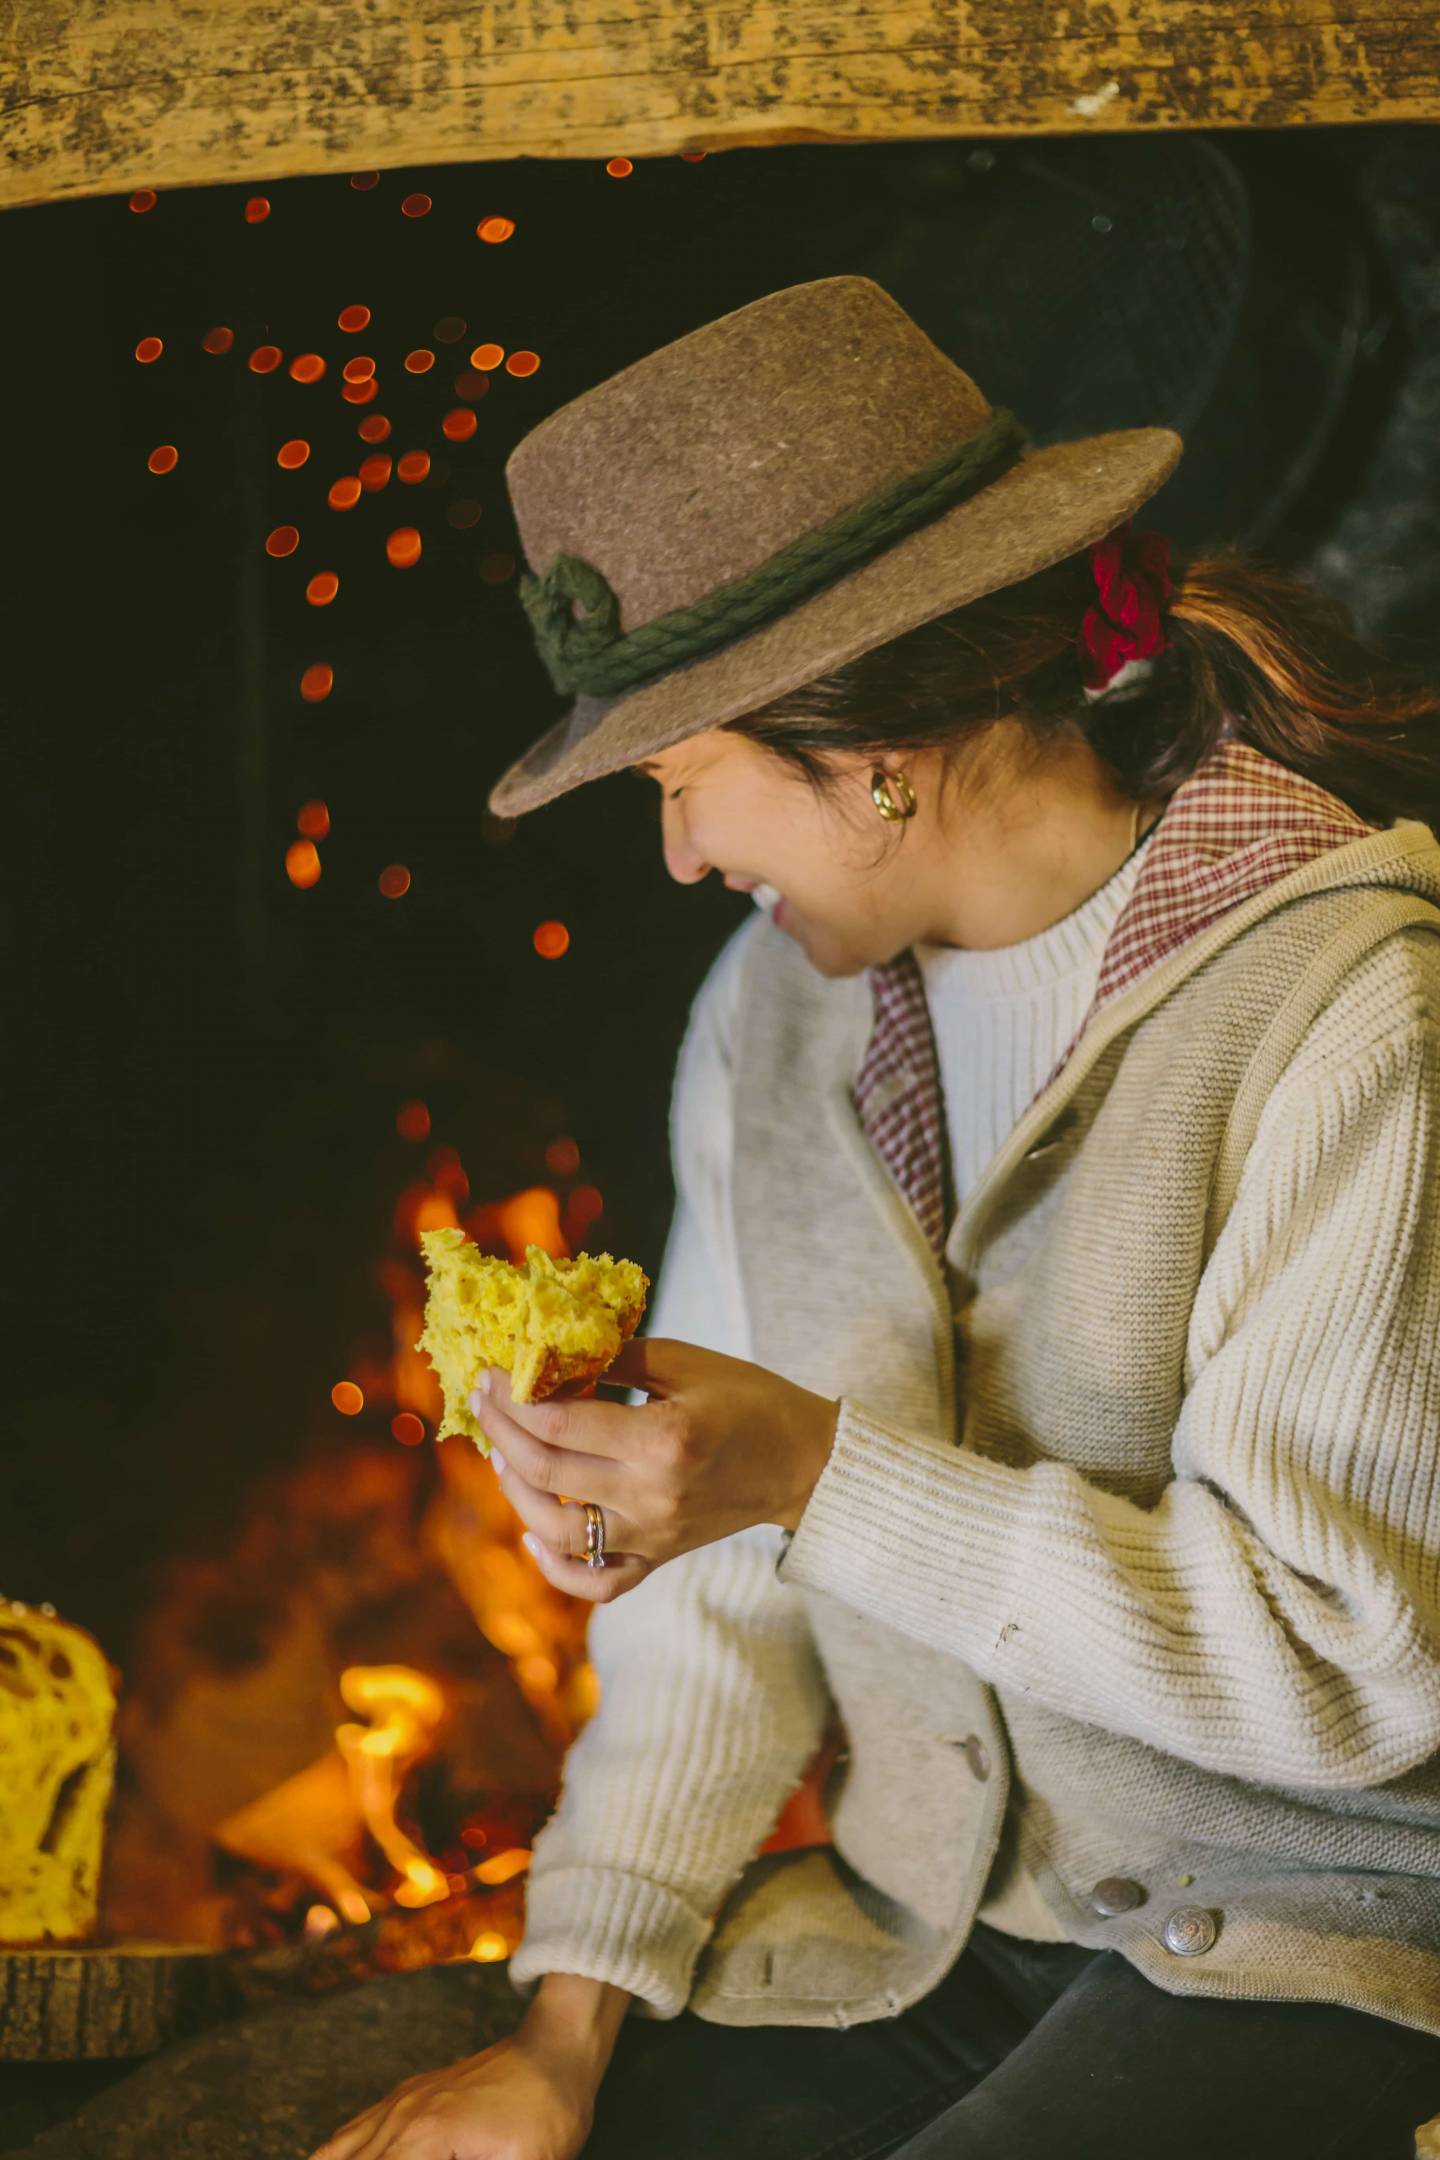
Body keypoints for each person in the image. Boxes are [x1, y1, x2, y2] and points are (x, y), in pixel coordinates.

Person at [312, 276, 1440, 2160]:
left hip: (1309, 1949)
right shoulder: (772, 1019)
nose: (679, 859)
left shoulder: (1349, 1016)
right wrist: (567, 2028)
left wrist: (818, 1475)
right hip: (929, 1935)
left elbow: (1345, 1665)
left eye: (685, 783)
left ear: (878, 747)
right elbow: (718, 1600)